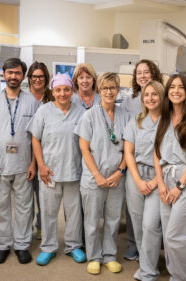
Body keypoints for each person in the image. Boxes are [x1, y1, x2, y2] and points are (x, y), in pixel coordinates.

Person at [0, 58, 38, 265]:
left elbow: (36, 137)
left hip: (24, 164)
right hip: (0, 164)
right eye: (9, 72)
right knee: (0, 205)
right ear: (4, 74)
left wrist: (33, 164)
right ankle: (2, 245)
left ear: (23, 76)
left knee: (24, 207)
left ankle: (21, 245)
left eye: (17, 73)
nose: (13, 76)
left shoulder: (32, 102)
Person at [27, 74, 86, 266]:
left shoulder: (81, 111)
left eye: (66, 89)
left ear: (72, 91)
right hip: (49, 172)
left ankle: (73, 245)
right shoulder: (44, 111)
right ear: (52, 91)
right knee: (48, 212)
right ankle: (48, 247)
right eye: (58, 90)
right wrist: (41, 165)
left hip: (74, 170)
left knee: (74, 212)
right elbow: (35, 139)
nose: (62, 93)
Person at [74, 72, 129, 275]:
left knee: (113, 218)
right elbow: (84, 148)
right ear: (99, 90)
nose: (109, 91)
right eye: (105, 87)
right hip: (93, 178)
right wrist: (97, 175)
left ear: (118, 90)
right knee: (92, 219)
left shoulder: (125, 115)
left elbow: (129, 148)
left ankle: (109, 256)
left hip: (117, 177)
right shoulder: (89, 116)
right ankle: (94, 257)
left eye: (113, 87)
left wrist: (120, 171)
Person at [154, 74, 186, 281]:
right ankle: (179, 275)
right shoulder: (164, 117)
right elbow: (156, 152)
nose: (176, 91)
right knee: (169, 236)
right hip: (165, 178)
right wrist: (160, 183)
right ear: (167, 91)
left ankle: (182, 279)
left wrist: (179, 186)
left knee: (175, 236)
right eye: (172, 87)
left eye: (181, 88)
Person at [120, 59, 163, 260]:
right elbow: (128, 138)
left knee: (152, 219)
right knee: (134, 213)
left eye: (146, 72)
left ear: (154, 74)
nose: (143, 76)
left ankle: (151, 253)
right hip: (135, 162)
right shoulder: (129, 102)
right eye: (139, 73)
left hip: (157, 167)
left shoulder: (164, 104)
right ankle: (134, 245)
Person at [26, 61, 53, 240]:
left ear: (46, 78)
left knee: (45, 199)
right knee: (26, 199)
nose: (37, 80)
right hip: (23, 155)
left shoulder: (52, 99)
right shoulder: (23, 98)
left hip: (46, 155)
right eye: (34, 77)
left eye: (41, 77)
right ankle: (25, 232)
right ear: (29, 79)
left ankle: (42, 228)